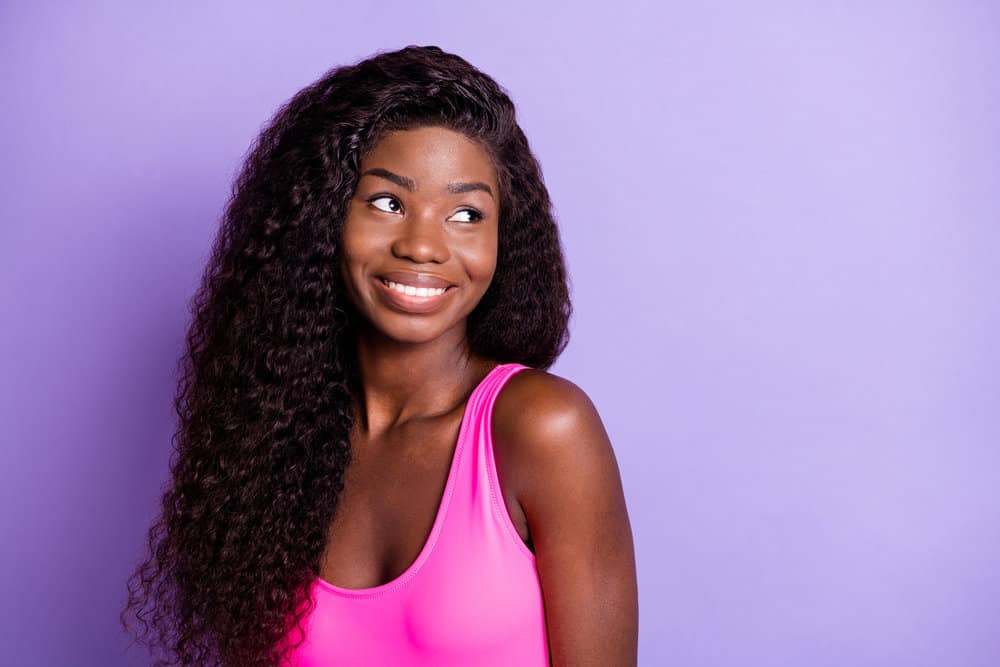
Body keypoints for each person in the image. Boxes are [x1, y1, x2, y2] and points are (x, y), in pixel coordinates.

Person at [121, 45, 637, 666]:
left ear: (503, 240)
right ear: (322, 217)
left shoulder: (542, 431)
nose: (423, 245)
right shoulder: (270, 444)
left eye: (466, 214)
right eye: (388, 203)